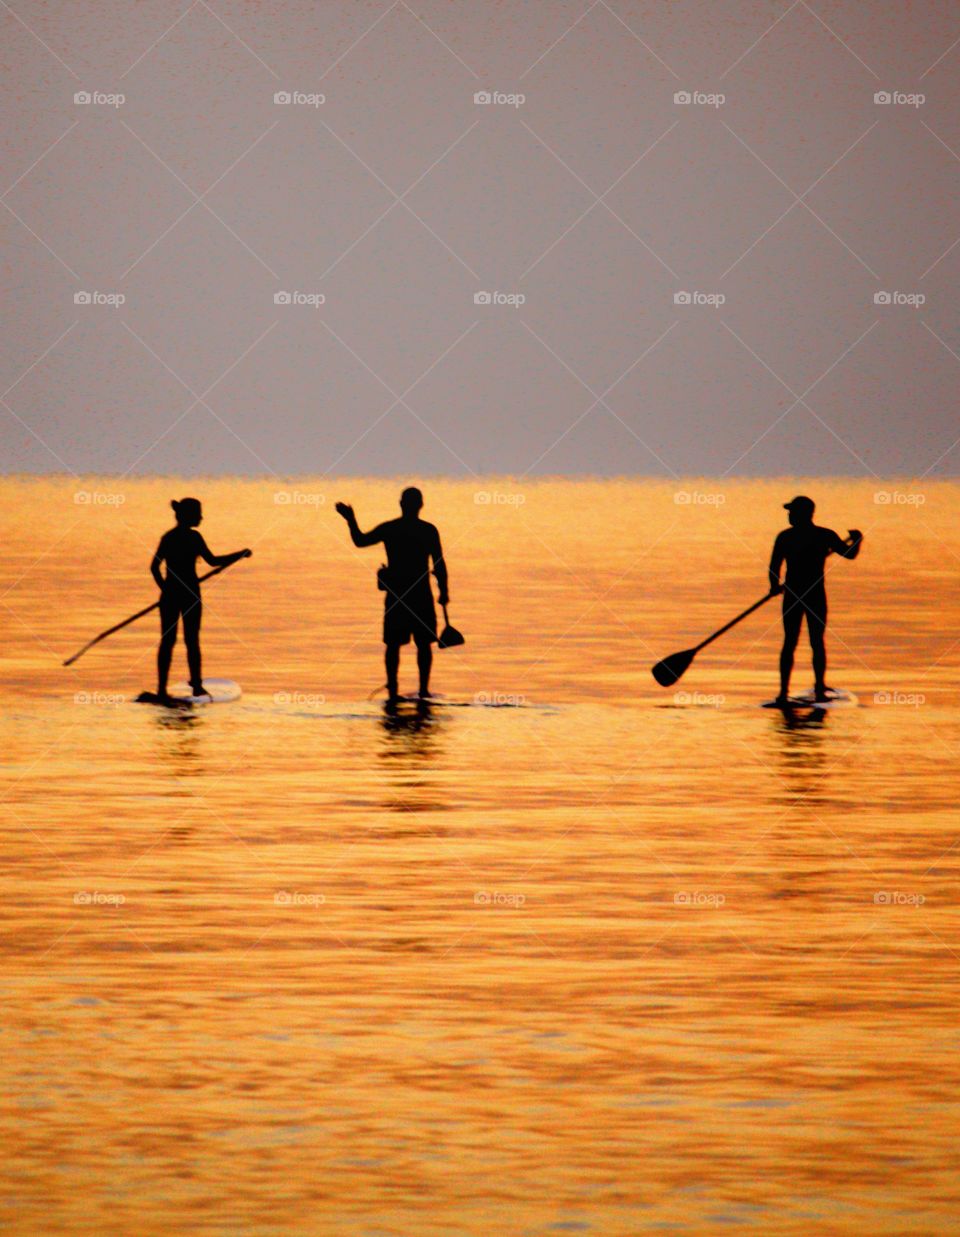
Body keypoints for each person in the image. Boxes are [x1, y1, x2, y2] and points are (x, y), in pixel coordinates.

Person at [335, 487, 448, 704]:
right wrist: (444, 592)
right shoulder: (428, 530)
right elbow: (439, 564)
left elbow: (360, 541)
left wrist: (350, 519)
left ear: (401, 504)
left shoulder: (391, 528)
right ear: (420, 505)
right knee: (424, 644)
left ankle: (393, 691)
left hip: (398, 595)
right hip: (420, 594)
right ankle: (423, 691)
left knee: (394, 644)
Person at [151, 498, 251, 703]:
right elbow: (213, 561)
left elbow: (154, 568)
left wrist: (166, 590)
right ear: (188, 516)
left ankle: (162, 688)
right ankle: (195, 687)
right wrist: (239, 554)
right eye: (198, 514)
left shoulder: (168, 537)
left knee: (168, 641)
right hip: (189, 595)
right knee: (191, 640)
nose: (201, 517)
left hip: (172, 596)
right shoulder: (194, 537)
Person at [768, 495, 862, 705]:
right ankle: (802, 690)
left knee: (799, 641)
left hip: (800, 594)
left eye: (792, 512)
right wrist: (856, 540)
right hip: (810, 595)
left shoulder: (787, 537)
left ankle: (794, 691)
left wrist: (774, 585)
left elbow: (774, 566)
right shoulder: (823, 535)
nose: (789, 516)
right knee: (811, 642)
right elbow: (850, 554)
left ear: (804, 514)